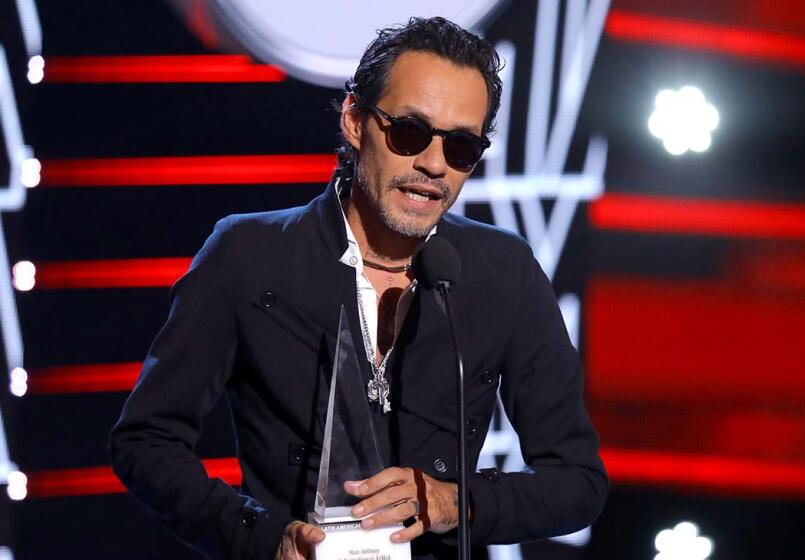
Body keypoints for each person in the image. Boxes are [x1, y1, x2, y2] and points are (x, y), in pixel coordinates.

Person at [108, 16, 607, 560]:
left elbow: (577, 483)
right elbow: (146, 441)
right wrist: (260, 538)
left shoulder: (503, 271)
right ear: (354, 120)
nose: (434, 164)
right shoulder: (248, 255)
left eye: (462, 146)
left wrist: (455, 503)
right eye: (411, 132)